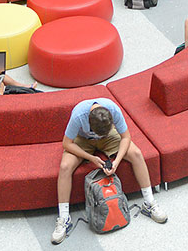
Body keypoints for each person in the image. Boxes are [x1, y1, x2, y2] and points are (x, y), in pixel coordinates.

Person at [51, 98, 167, 244]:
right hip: (84, 140)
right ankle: (64, 218)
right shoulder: (78, 116)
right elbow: (66, 143)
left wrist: (116, 161)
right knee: (65, 167)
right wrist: (91, 158)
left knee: (136, 154)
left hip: (109, 137)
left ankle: (149, 203)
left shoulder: (113, 110)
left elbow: (126, 137)